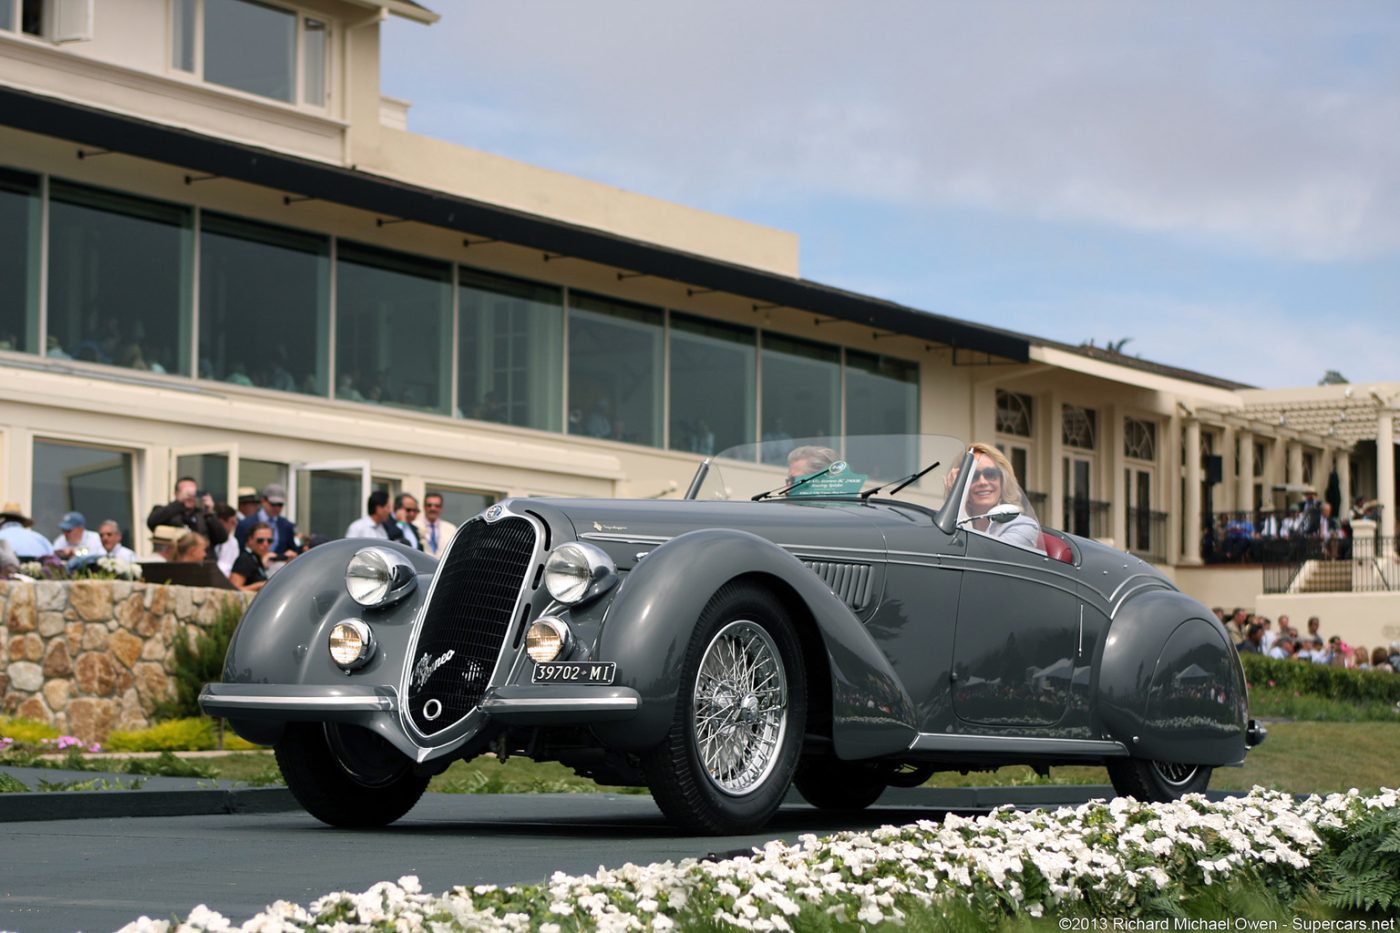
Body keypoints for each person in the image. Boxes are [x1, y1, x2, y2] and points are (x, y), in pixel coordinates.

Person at [947, 443, 1041, 551]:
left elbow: (986, 556)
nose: (982, 482)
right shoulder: (949, 525)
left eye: (990, 474)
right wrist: (956, 500)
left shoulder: (1024, 526)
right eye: (973, 475)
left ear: (1003, 481)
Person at [146, 477, 228, 547]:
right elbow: (152, 522)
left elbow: (222, 538)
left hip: (201, 562)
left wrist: (210, 512)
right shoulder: (167, 511)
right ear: (176, 494)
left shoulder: (203, 515)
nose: (190, 496)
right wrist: (179, 503)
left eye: (193, 493)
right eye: (186, 492)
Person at [235, 484, 297, 560]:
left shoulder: (287, 526)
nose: (277, 508)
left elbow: (292, 549)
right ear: (263, 500)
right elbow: (238, 551)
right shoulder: (245, 524)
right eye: (273, 504)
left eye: (280, 505)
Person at [229, 521, 271, 592]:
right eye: (260, 540)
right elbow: (233, 591)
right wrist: (258, 586)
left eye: (269, 540)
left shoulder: (256, 558)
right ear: (250, 540)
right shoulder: (245, 559)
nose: (266, 544)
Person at [415, 491, 457, 559]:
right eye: (429, 505)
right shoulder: (414, 526)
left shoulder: (451, 529)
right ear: (424, 507)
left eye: (437, 506)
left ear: (441, 508)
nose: (433, 508)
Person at [213, 504, 240, 577]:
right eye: (232, 522)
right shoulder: (205, 538)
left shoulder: (233, 541)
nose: (235, 525)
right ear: (220, 522)